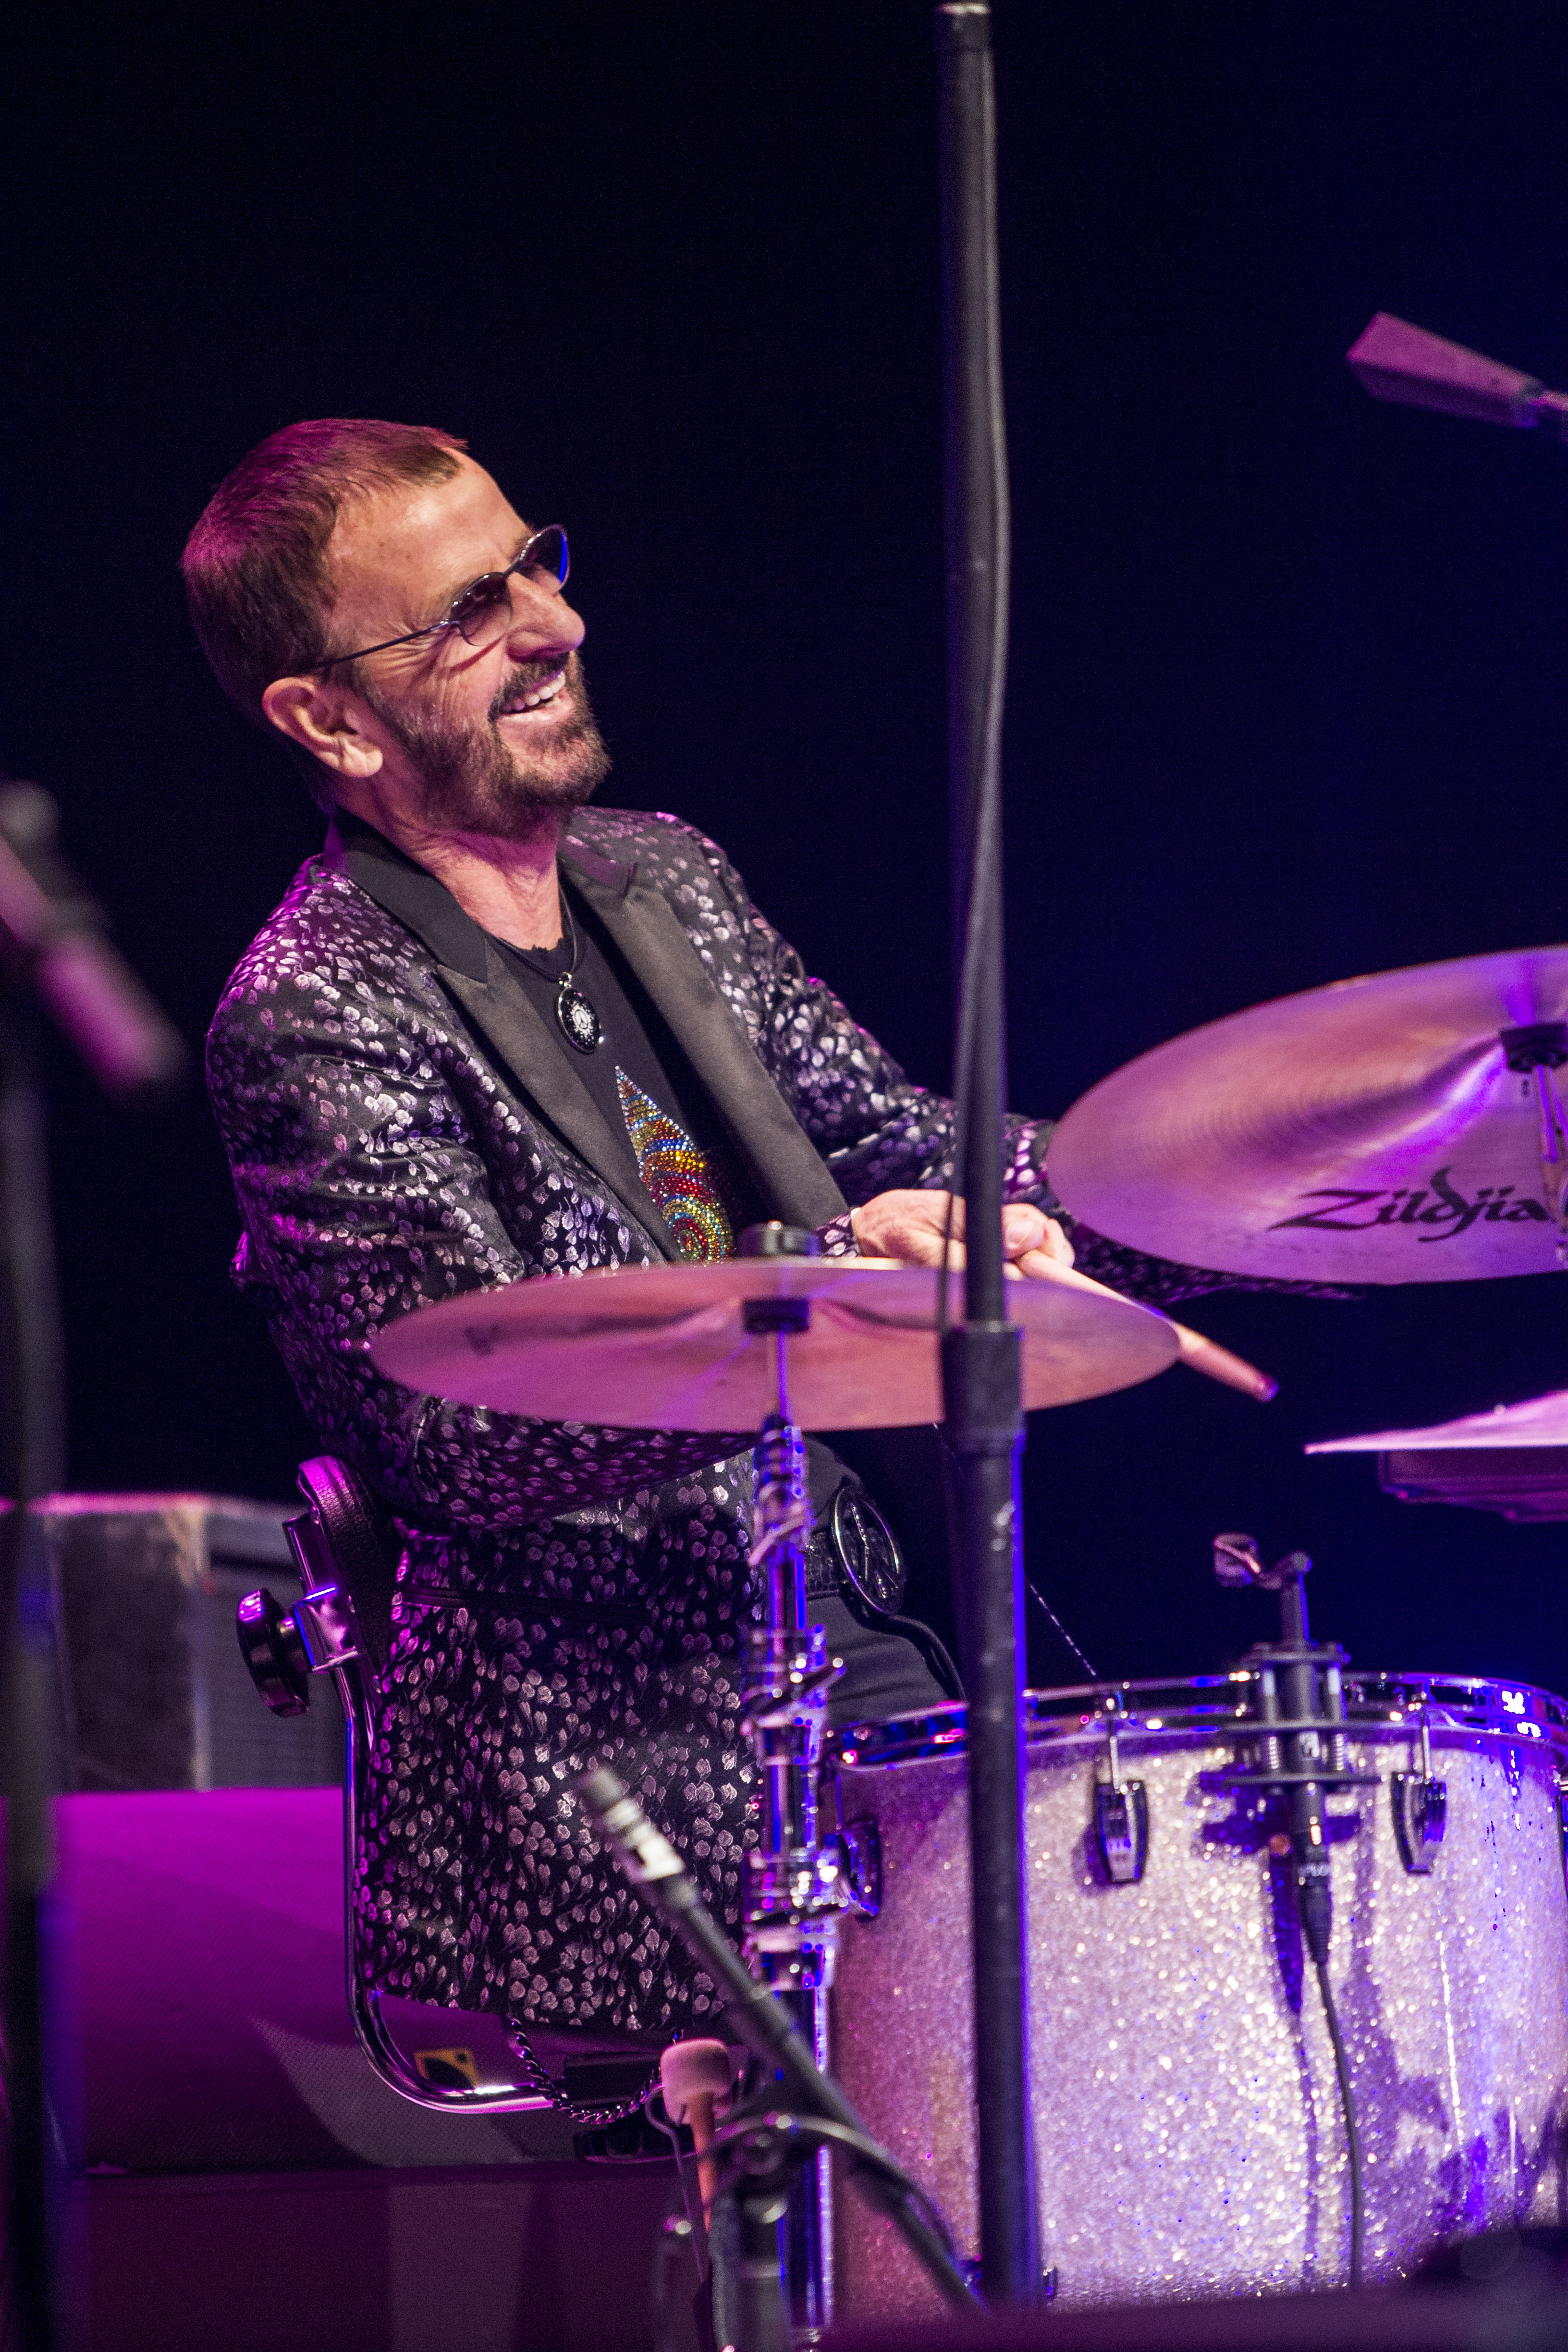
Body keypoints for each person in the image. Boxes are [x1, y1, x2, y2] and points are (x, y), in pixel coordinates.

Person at [187, 419, 1205, 2074]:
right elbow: (459, 1423)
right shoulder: (316, 1008)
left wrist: (1249, 1185)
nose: (554, 623)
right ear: (327, 719)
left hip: (866, 1659)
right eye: (467, 613)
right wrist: (827, 1278)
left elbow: (901, 1154)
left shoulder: (663, 878)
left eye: (533, 565)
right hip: (629, 1767)